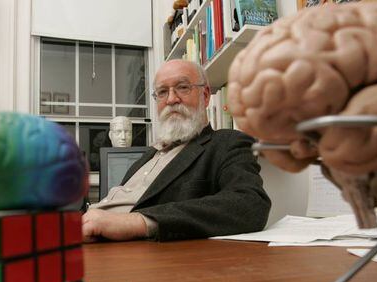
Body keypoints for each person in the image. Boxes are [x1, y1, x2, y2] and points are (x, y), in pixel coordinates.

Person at [82, 59, 271, 242]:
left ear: (205, 96)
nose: (172, 99)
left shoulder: (227, 143)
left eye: (182, 87)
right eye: (162, 92)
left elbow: (250, 204)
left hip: (114, 248)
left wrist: (139, 222)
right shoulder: (148, 155)